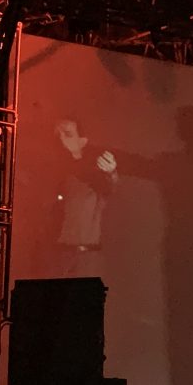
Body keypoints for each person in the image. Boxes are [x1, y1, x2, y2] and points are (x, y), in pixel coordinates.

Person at [50, 117, 119, 277]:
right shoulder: (52, 174)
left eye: (67, 134)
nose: (61, 139)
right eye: (58, 135)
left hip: (86, 259)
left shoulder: (92, 174)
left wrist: (111, 173)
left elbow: (110, 187)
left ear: (82, 141)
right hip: (56, 258)